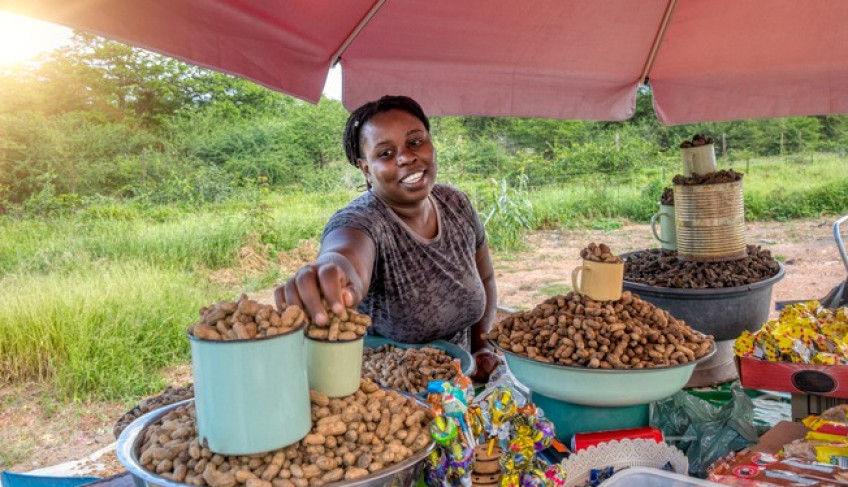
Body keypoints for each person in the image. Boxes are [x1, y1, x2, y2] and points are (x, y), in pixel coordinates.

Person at [275, 95, 499, 381]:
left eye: (415, 142)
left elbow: (487, 278)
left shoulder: (456, 204)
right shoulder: (363, 221)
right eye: (385, 154)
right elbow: (346, 253)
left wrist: (479, 349)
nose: (406, 157)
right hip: (394, 401)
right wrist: (334, 272)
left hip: (459, 390)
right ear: (366, 169)